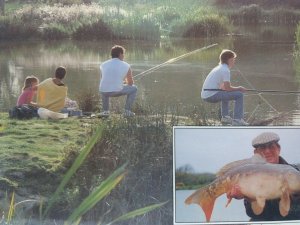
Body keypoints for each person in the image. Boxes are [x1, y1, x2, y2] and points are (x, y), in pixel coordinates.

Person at [228, 132, 300, 221]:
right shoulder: (249, 176)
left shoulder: (296, 171)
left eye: (271, 146)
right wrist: (250, 198)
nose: (267, 151)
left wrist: (294, 194)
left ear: (278, 148)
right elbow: (255, 214)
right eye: (262, 148)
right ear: (256, 153)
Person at [201, 49, 248, 126]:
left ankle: (225, 117)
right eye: (233, 59)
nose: (234, 61)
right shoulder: (225, 70)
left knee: (226, 92)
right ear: (229, 60)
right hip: (210, 95)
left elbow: (224, 88)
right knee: (239, 95)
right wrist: (239, 88)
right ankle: (237, 120)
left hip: (205, 94)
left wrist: (230, 89)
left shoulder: (219, 67)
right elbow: (228, 88)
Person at [99, 45, 137, 117]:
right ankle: (127, 111)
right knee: (134, 89)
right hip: (116, 91)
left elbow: (104, 80)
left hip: (103, 92)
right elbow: (131, 83)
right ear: (120, 54)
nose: (124, 56)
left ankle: (105, 111)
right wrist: (125, 82)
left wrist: (120, 82)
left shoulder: (103, 64)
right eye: (123, 54)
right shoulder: (126, 65)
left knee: (104, 87)